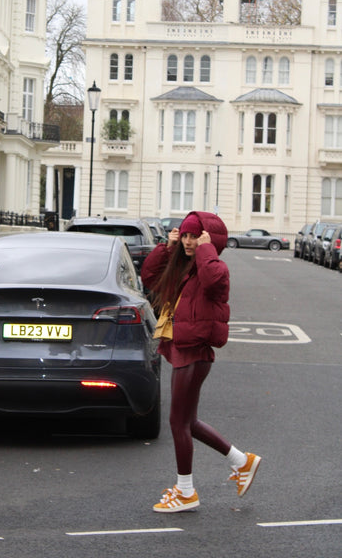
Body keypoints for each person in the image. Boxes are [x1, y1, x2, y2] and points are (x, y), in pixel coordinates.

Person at [141, 211, 261, 513]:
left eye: (196, 236)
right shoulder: (184, 268)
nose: (189, 241)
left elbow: (213, 282)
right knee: (188, 422)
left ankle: (185, 491)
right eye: (186, 235)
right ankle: (240, 461)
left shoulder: (214, 268)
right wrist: (166, 247)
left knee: (177, 422)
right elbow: (150, 278)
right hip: (182, 347)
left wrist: (208, 249)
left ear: (208, 239)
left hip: (194, 351)